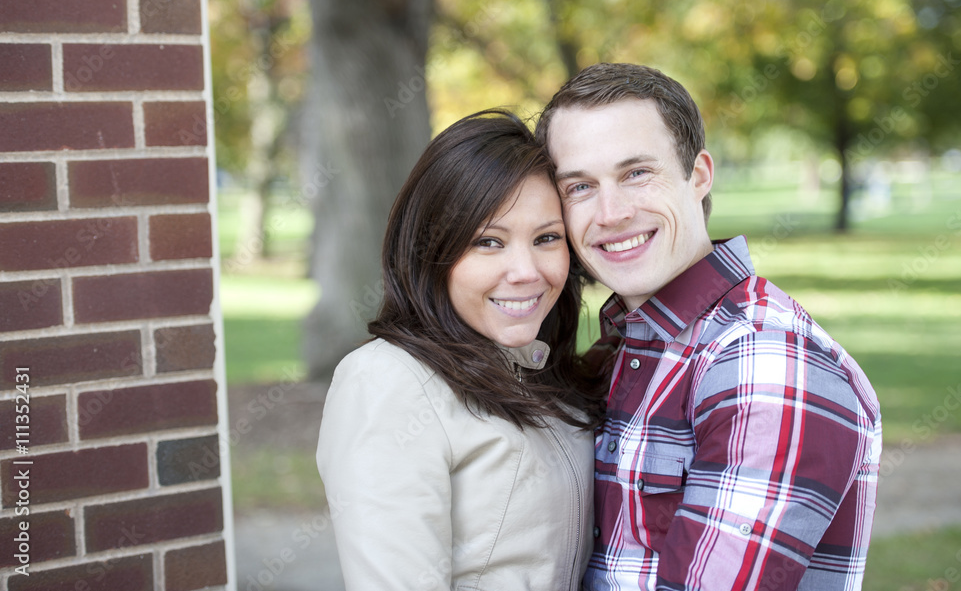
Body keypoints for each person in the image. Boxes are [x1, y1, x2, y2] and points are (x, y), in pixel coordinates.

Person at [534, 63, 882, 591]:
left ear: (698, 175)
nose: (611, 212)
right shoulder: (630, 346)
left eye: (636, 173)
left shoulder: (761, 357)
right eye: (580, 186)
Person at [316, 109, 605, 590]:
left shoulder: (541, 371)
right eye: (488, 242)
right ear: (433, 250)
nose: (526, 271)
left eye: (546, 238)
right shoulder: (388, 382)